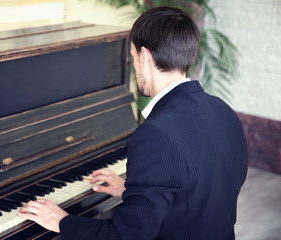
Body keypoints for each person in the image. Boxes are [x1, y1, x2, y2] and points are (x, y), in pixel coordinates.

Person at [18, 6, 248, 239]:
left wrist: (62, 221)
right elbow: (197, 190)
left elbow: (125, 236)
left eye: (133, 56)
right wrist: (134, 192)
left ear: (145, 56)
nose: (135, 67)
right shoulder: (224, 110)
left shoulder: (157, 134)